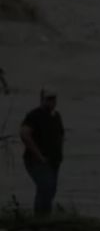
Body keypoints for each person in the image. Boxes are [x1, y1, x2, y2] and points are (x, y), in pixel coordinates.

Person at [20, 89, 64, 217]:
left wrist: (60, 154)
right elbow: (24, 134)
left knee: (50, 190)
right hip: (36, 160)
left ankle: (45, 217)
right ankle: (39, 219)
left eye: (54, 99)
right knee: (45, 186)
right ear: (42, 100)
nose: (52, 102)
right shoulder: (35, 115)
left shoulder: (56, 116)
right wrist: (38, 155)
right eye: (49, 99)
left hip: (54, 161)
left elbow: (60, 135)